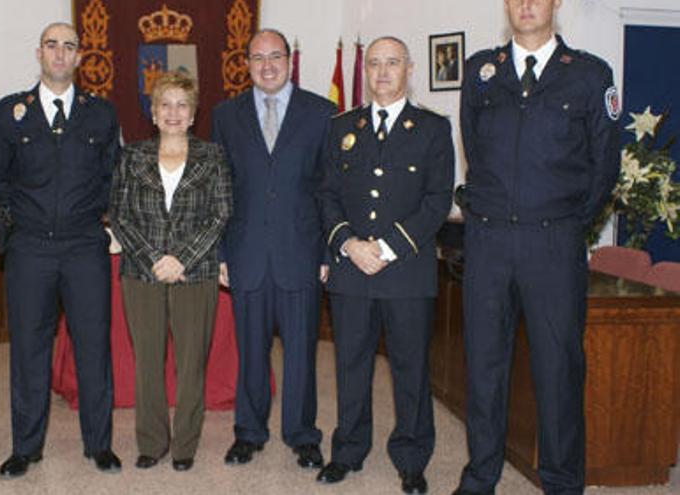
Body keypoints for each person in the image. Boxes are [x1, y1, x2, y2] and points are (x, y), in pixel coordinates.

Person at [454, 0, 620, 493]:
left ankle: (563, 483)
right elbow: (474, 148)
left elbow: (604, 165)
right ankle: (480, 476)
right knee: (483, 366)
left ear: (555, 3)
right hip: (488, 243)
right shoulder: (481, 71)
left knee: (559, 369)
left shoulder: (589, 74)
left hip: (553, 243)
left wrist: (567, 222)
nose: (526, 4)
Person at [317, 37, 454, 492]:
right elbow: (326, 194)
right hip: (351, 269)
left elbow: (437, 200)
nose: (381, 72)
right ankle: (349, 450)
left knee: (410, 369)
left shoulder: (433, 129)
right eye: (374, 63)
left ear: (408, 68)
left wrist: (389, 247)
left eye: (391, 63)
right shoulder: (341, 127)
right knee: (351, 366)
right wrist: (349, 245)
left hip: (407, 272)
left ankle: (412, 458)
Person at [0, 22, 122, 478]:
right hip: (29, 249)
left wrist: (90, 211)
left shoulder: (100, 114)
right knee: (28, 349)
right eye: (52, 46)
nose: (60, 54)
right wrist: (21, 214)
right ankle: (26, 447)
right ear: (39, 53)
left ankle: (98, 445)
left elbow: (112, 176)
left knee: (93, 347)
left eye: (69, 47)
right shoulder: (10, 113)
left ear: (80, 57)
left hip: (84, 245)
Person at [211, 28, 335, 469]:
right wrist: (220, 255)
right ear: (245, 63)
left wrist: (326, 254)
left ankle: (303, 435)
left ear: (289, 60)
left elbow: (329, 190)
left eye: (276, 56)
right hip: (245, 253)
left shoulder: (322, 112)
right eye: (258, 57)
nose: (267, 65)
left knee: (302, 351)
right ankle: (249, 432)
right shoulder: (225, 116)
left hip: (301, 253)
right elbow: (219, 191)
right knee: (250, 351)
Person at [109, 71, 232, 472]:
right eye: (166, 104)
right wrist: (153, 260)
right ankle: (151, 441)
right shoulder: (132, 156)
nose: (174, 112)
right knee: (146, 360)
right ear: (154, 111)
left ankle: (184, 444)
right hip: (140, 273)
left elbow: (220, 213)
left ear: (194, 113)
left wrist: (181, 258)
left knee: (191, 362)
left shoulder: (213, 156)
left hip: (194, 273)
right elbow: (121, 216)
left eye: (182, 105)